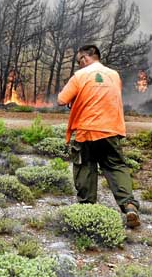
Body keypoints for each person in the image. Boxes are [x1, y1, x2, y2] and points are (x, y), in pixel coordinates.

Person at [57, 44, 141, 228]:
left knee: (85, 167)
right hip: (112, 129)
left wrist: (74, 99)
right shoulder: (114, 75)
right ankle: (128, 206)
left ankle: (87, 209)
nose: (79, 65)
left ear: (85, 59)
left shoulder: (80, 76)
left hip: (87, 130)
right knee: (117, 166)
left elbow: (62, 100)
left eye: (79, 61)